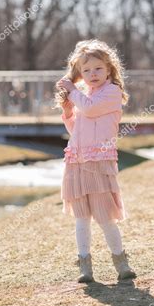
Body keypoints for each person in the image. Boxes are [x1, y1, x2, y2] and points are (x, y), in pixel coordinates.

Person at [55, 39, 136, 283]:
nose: (92, 74)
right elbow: (76, 129)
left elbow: (90, 110)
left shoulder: (111, 93)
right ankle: (85, 266)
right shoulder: (83, 95)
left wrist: (72, 90)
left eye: (98, 69)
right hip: (77, 162)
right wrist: (68, 110)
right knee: (82, 218)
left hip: (99, 163)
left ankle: (121, 263)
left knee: (104, 217)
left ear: (109, 69)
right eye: (86, 70)